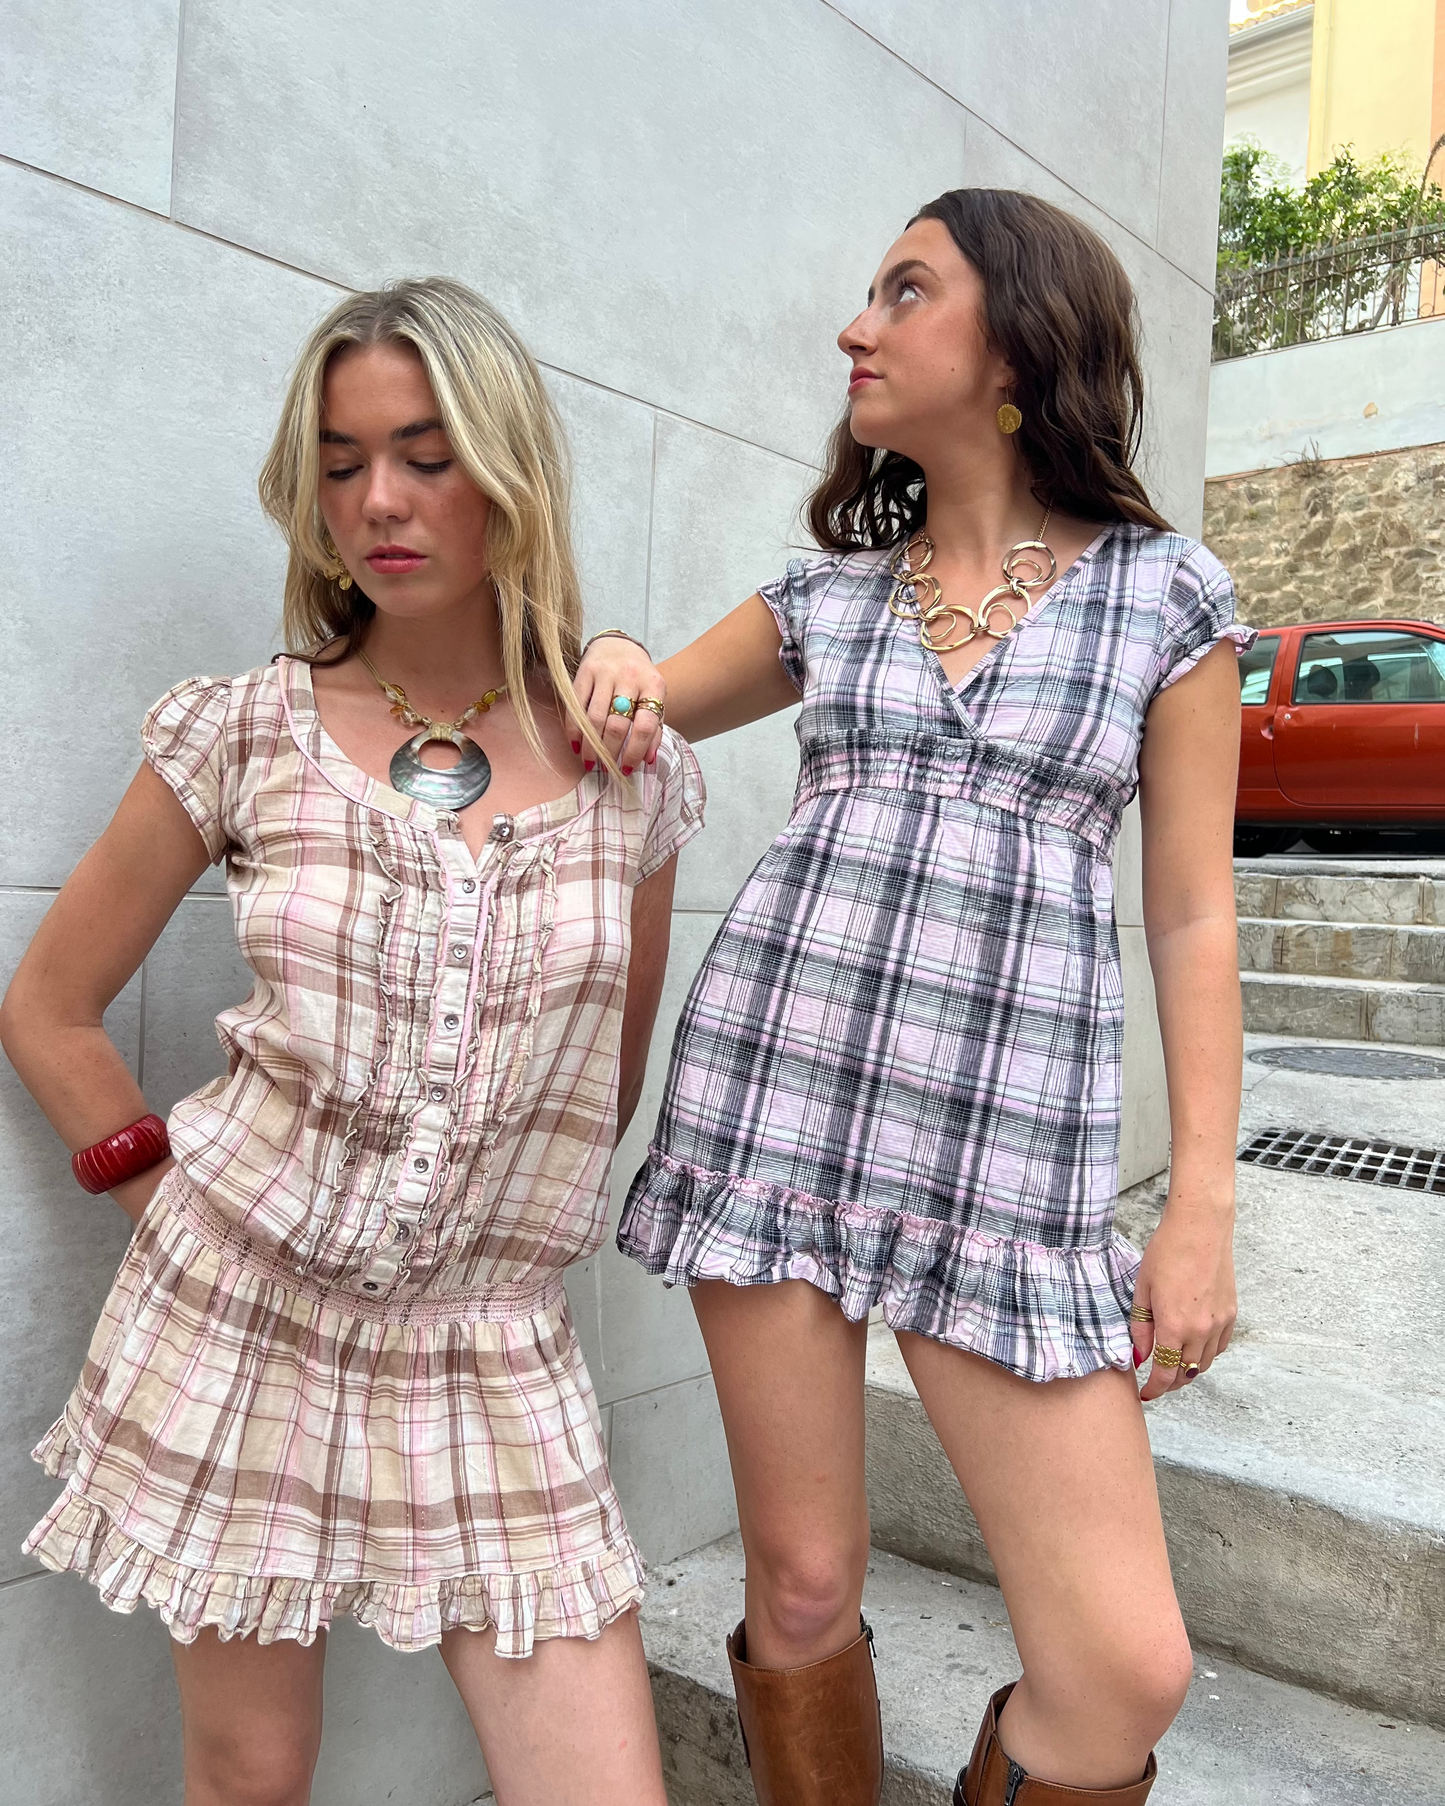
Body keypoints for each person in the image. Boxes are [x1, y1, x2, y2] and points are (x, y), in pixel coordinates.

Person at [570, 188, 1250, 1806]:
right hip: (776, 1103)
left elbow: (1195, 915)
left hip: (1005, 1158)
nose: (853, 328)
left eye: (902, 291)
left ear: (1015, 338)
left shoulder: (1167, 600)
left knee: (1124, 1664)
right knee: (799, 1585)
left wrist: (1204, 1200)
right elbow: (635, 699)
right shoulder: (830, 598)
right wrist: (606, 642)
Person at [1, 277, 702, 1806]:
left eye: (427, 453)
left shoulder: (627, 773)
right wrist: (160, 1195)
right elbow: (47, 1003)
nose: (377, 499)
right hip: (243, 1316)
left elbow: (610, 1070)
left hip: (495, 1342)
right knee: (251, 1776)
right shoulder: (245, 729)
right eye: (339, 460)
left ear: (508, 469)